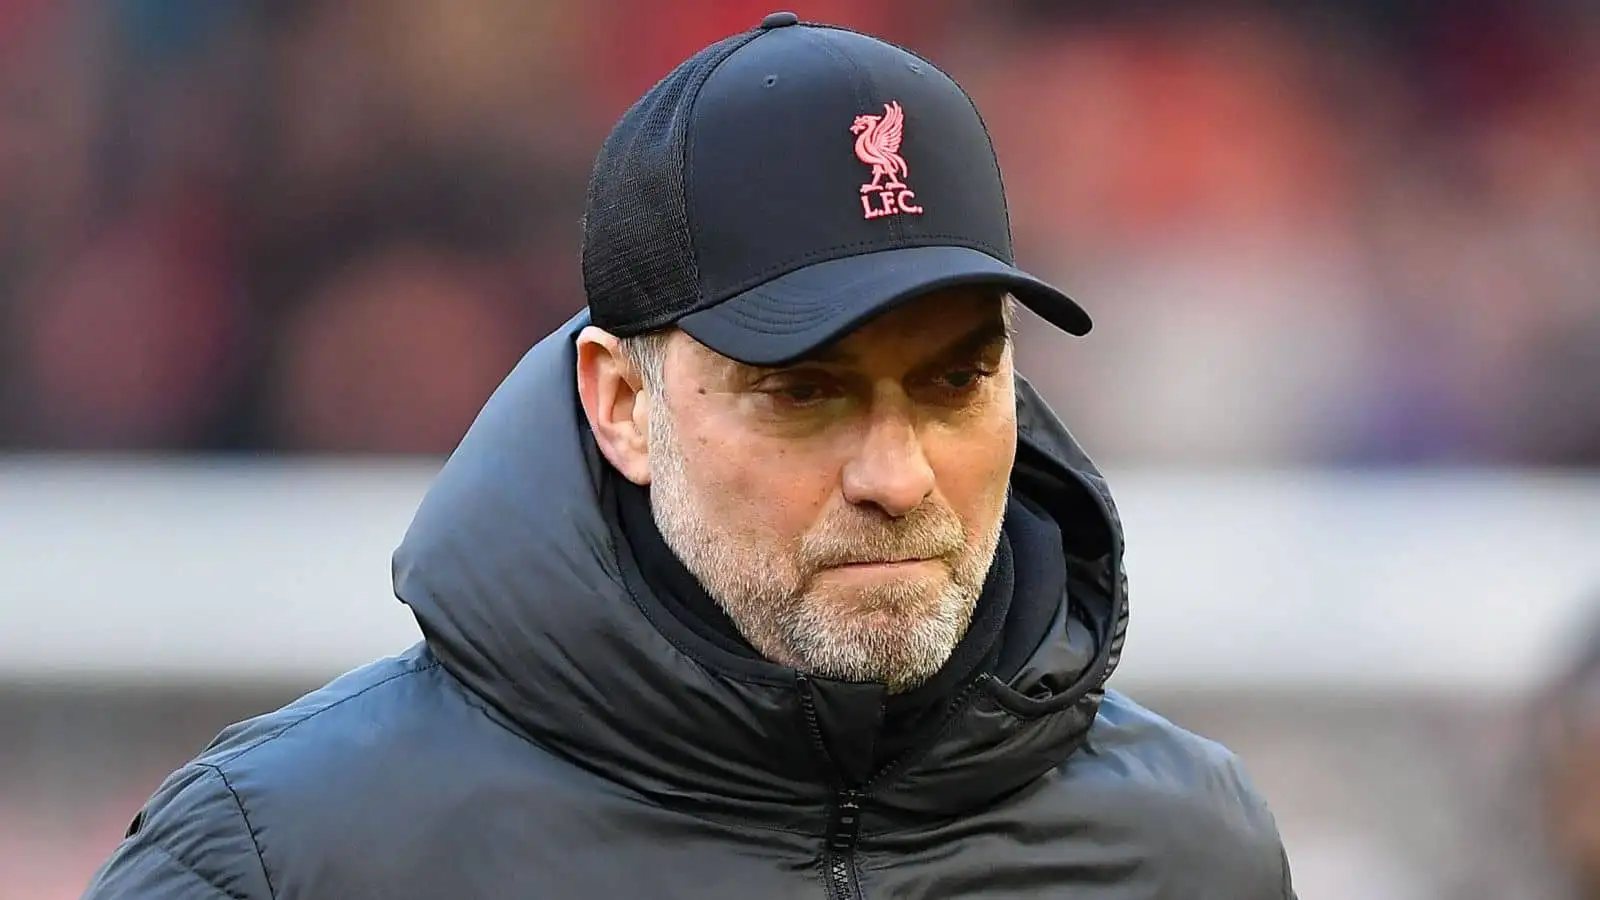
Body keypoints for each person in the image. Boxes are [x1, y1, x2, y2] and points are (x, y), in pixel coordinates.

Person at [83, 13, 1296, 898]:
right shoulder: (287, 859)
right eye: (806, 392)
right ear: (619, 402)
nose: (898, 475)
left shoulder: (1188, 851)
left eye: (953, 379)